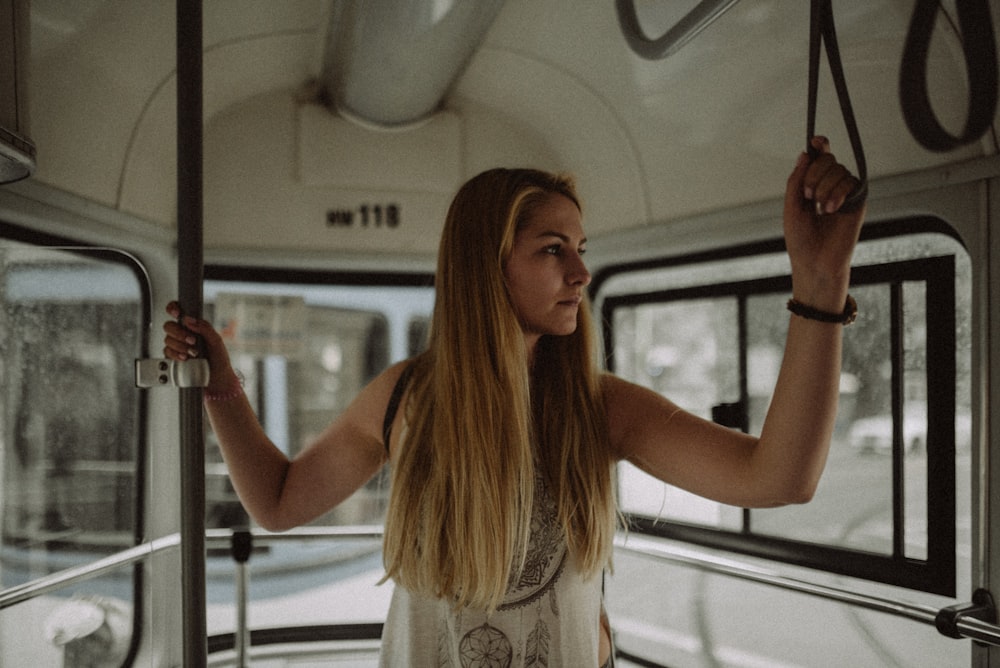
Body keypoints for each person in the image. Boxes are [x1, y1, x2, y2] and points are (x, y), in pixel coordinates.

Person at [162, 136, 865, 667]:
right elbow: (280, 502)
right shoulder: (404, 397)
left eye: (580, 248)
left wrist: (820, 278)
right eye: (553, 249)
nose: (582, 272)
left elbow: (777, 478)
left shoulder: (601, 406)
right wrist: (221, 388)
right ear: (485, 263)